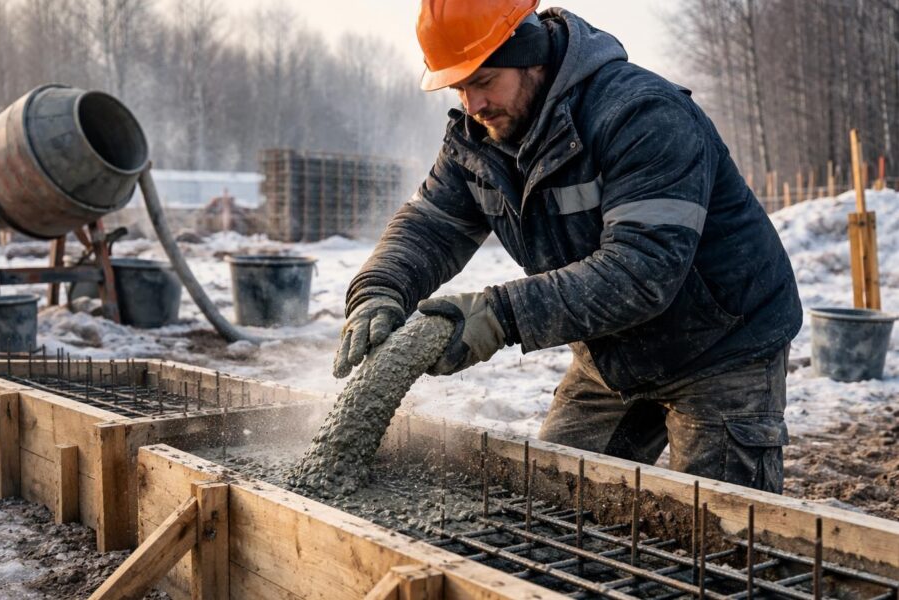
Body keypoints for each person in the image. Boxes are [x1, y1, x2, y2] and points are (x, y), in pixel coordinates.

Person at [333, 0, 802, 493]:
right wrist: (378, 290)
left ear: (530, 55)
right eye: (459, 87)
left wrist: (499, 316)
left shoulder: (641, 115)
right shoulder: (481, 138)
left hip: (722, 344)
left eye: (485, 80)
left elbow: (642, 272)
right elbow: (428, 227)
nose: (472, 105)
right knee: (552, 501)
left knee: (723, 535)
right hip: (612, 350)